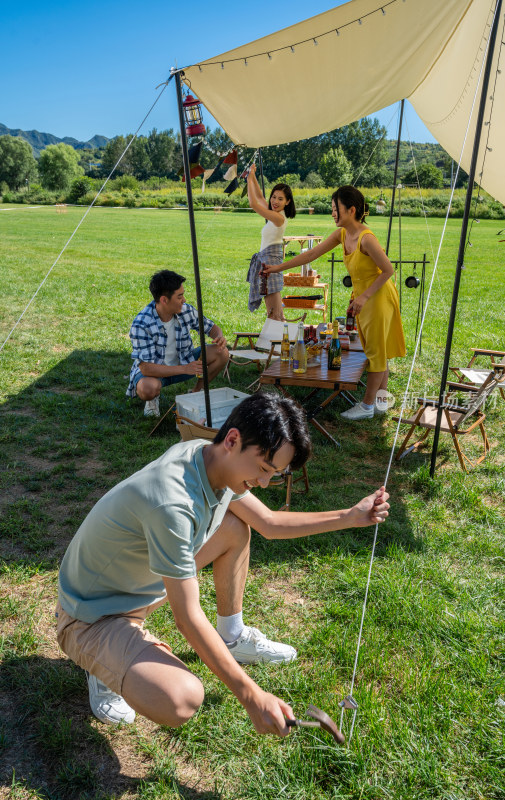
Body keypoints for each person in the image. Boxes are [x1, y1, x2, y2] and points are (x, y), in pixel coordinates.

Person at [56, 392, 390, 736]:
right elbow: (187, 618)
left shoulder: (212, 458)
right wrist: (253, 697)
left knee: (233, 528)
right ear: (233, 439)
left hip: (134, 586)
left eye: (273, 473)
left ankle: (231, 635)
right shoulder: (172, 503)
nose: (264, 482)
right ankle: (103, 668)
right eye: (263, 469)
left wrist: (349, 517)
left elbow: (270, 524)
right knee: (182, 698)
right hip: (91, 615)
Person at [264, 186, 406, 420]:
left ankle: (368, 406)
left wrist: (364, 296)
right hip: (365, 297)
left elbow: (388, 270)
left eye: (335, 209)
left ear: (351, 210)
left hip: (378, 297)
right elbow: (311, 255)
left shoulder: (366, 238)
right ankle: (381, 399)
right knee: (376, 348)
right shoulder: (342, 234)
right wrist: (277, 268)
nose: (332, 213)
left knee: (376, 352)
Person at [127, 270, 229, 418]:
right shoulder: (142, 323)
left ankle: (194, 393)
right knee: (148, 388)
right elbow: (146, 368)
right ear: (164, 300)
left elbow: (211, 327)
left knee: (222, 352)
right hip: (156, 371)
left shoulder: (186, 310)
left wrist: (219, 336)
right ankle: (152, 400)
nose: (184, 300)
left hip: (184, 362)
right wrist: (184, 368)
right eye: (179, 296)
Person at [246, 164, 296, 321]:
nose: (275, 201)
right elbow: (260, 198)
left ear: (287, 202)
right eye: (274, 197)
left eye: (280, 199)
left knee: (274, 313)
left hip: (270, 263)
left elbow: (253, 204)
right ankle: (279, 341)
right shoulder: (274, 214)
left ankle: (278, 342)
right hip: (267, 261)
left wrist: (247, 179)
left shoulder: (279, 218)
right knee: (275, 312)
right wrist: (252, 174)